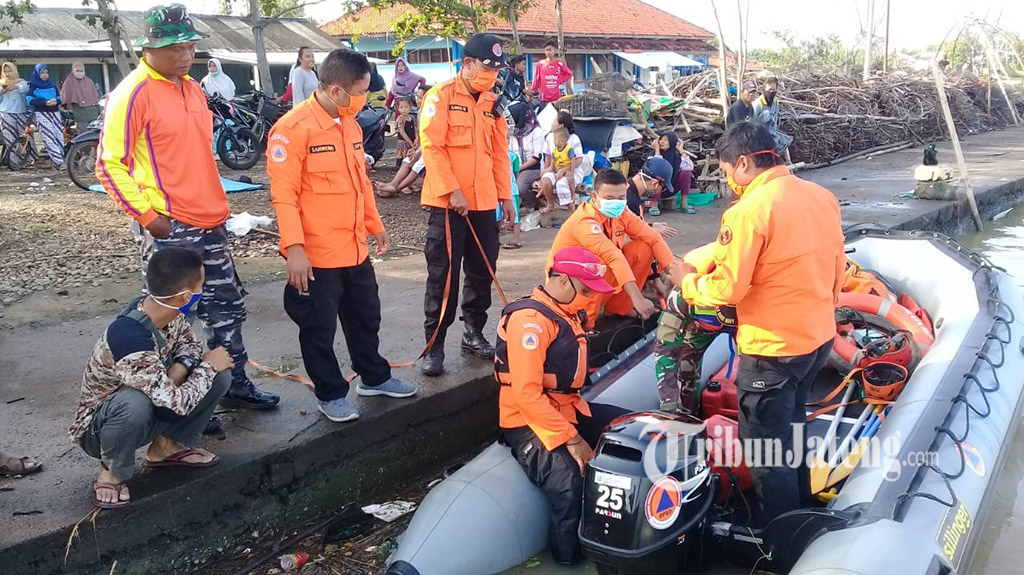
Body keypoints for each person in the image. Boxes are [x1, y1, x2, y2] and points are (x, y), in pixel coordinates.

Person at [97, 3, 279, 411]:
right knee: (174, 317)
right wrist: (147, 216)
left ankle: (231, 384)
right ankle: (176, 401)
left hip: (211, 219)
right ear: (150, 49)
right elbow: (109, 165)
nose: (185, 55)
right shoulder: (132, 93)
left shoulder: (193, 88)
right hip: (169, 224)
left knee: (225, 306)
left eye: (189, 46)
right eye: (174, 48)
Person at [667, 122, 845, 522]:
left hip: (772, 349)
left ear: (744, 162)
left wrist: (688, 283)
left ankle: (780, 541)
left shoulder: (747, 212)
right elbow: (838, 267)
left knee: (764, 450)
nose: (730, 183)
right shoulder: (820, 196)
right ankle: (802, 513)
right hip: (817, 339)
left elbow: (727, 288)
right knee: (793, 428)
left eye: (728, 172)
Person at [267, 49, 418, 423]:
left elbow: (359, 184)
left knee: (366, 316)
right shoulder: (292, 130)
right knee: (318, 327)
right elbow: (283, 197)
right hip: (316, 255)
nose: (366, 97)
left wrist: (374, 224)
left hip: (353, 248)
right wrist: (295, 250)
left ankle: (374, 377)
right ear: (336, 90)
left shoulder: (348, 123)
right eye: (361, 90)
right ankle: (331, 393)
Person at [69, 247, 234, 509]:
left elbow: (190, 346)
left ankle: (166, 447)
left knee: (220, 374)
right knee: (135, 401)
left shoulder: (166, 311)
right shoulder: (130, 338)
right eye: (201, 286)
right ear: (186, 296)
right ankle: (112, 470)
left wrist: (180, 370)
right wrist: (207, 367)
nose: (202, 292)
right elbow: (171, 408)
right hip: (101, 429)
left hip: (155, 404)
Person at [498, 246, 629, 565]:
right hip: (526, 419)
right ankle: (568, 559)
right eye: (584, 290)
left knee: (629, 428)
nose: (590, 298)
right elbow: (527, 395)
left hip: (567, 408)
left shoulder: (563, 311)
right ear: (562, 280)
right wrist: (573, 439)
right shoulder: (530, 322)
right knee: (568, 482)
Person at [418, 33, 513, 376]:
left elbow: (500, 154)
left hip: (485, 202)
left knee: (482, 271)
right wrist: (451, 189)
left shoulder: (493, 104)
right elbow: (432, 146)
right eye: (486, 69)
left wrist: (506, 196)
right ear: (467, 63)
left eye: (496, 71)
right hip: (448, 205)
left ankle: (473, 333)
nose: (491, 77)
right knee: (443, 277)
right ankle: (435, 345)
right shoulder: (440, 97)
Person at [548, 169, 674, 329]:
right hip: (570, 286)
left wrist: (674, 271)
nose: (616, 202)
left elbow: (653, 237)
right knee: (599, 261)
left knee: (643, 248)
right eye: (609, 198)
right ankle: (585, 322)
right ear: (594, 196)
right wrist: (637, 297)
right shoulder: (585, 221)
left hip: (603, 278)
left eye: (621, 198)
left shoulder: (622, 213)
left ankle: (619, 308)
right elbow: (612, 256)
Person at [654, 242, 736, 413]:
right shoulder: (681, 295)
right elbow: (665, 350)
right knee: (685, 368)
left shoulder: (759, 289)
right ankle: (689, 414)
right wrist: (669, 404)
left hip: (749, 326)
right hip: (699, 326)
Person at [377, 84, 432, 197]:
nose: (418, 99)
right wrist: (416, 147)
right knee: (407, 160)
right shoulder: (420, 112)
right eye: (417, 96)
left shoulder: (432, 113)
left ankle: (396, 188)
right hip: (423, 146)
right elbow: (421, 134)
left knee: (416, 164)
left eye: (421, 97)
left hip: (432, 147)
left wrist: (418, 151)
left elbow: (432, 137)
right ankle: (393, 184)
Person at [539, 110, 584, 212]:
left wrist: (563, 170)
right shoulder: (550, 137)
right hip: (555, 170)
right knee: (546, 178)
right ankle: (550, 204)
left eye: (554, 122)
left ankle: (572, 213)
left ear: (561, 125)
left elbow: (579, 160)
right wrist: (546, 171)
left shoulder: (573, 139)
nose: (552, 124)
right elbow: (548, 158)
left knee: (562, 185)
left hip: (572, 171)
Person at [508, 103, 545, 208]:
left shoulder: (536, 131)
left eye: (512, 118)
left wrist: (519, 169)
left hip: (533, 168)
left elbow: (536, 158)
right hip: (515, 167)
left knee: (520, 187)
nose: (511, 122)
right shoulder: (513, 134)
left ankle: (539, 203)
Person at [1, 61, 37, 170]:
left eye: (10, 71)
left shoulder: (21, 82)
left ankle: (32, 159)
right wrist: (2, 91)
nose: (8, 74)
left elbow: (25, 88)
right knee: (10, 139)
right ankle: (15, 163)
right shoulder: (2, 83)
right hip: (6, 113)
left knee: (26, 136)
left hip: (21, 113)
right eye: (5, 71)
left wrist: (15, 87)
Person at [26, 64, 63, 168]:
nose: (45, 75)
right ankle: (58, 161)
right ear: (37, 73)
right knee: (48, 136)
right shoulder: (33, 86)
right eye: (42, 72)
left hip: (55, 113)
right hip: (42, 113)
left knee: (58, 136)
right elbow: (29, 100)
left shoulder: (52, 85)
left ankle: (59, 159)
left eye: (47, 72)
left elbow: (59, 98)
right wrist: (44, 102)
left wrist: (56, 101)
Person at [652, 131, 695, 215]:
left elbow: (689, 167)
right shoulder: (652, 155)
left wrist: (681, 149)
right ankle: (654, 204)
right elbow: (657, 167)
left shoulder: (676, 158)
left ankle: (684, 204)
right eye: (661, 139)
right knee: (658, 174)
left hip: (670, 188)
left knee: (685, 173)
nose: (662, 142)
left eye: (666, 140)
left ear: (672, 142)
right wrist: (657, 150)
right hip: (653, 189)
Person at [752, 76, 793, 160]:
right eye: (769, 89)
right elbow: (750, 123)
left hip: (771, 132)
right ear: (764, 89)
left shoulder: (775, 101)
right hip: (758, 134)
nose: (771, 92)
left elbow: (775, 118)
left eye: (773, 90)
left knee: (786, 141)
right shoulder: (757, 104)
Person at [60, 62, 102, 132]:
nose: (79, 73)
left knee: (94, 133)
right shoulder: (68, 83)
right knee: (83, 134)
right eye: (77, 71)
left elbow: (95, 98)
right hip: (79, 113)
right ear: (73, 71)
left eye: (81, 71)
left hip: (92, 112)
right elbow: (66, 100)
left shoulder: (89, 82)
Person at [531, 39, 574, 106]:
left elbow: (569, 74)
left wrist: (559, 80)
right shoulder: (540, 64)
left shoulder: (559, 63)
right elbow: (536, 79)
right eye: (546, 50)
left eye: (550, 50)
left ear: (555, 51)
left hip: (556, 98)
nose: (548, 52)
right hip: (544, 98)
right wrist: (532, 90)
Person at [545, 128, 578, 208]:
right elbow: (553, 162)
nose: (553, 141)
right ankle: (552, 203)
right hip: (557, 169)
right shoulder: (555, 150)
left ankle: (572, 195)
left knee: (570, 179)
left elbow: (573, 160)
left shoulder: (569, 149)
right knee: (548, 178)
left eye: (555, 139)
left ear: (562, 141)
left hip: (567, 169)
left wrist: (572, 171)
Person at [500, 147, 523, 249]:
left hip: (512, 190)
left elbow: (517, 172)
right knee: (497, 215)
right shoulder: (493, 152)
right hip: (497, 190)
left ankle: (516, 240)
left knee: (516, 216)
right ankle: (495, 240)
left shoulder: (513, 156)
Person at [394, 95, 417, 167]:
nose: (404, 109)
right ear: (398, 109)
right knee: (403, 156)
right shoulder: (400, 119)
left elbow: (416, 128)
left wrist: (416, 138)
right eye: (401, 107)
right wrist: (410, 142)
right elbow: (402, 132)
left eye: (406, 107)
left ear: (410, 107)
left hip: (412, 140)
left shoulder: (412, 118)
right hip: (403, 142)